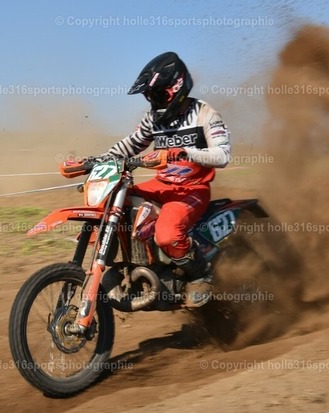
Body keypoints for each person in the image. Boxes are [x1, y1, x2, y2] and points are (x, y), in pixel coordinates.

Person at [99, 51, 231, 307]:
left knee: (168, 236)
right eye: (150, 95)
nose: (153, 100)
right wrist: (99, 160)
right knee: (113, 201)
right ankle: (134, 264)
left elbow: (222, 154)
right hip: (159, 186)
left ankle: (202, 274)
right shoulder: (153, 119)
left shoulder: (204, 113)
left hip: (191, 190)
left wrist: (184, 152)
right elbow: (130, 145)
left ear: (175, 88)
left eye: (157, 94)